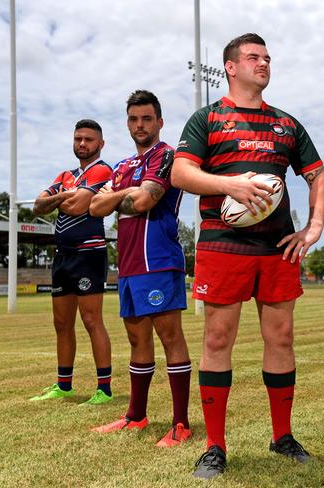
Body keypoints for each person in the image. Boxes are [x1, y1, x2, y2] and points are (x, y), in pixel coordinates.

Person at [171, 33, 324, 479]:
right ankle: (215, 446)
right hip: (223, 246)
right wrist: (231, 185)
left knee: (280, 339)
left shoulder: (287, 125)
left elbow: (318, 176)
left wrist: (313, 227)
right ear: (230, 67)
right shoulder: (207, 119)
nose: (263, 63)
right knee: (218, 341)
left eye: (267, 57)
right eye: (253, 57)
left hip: (277, 248)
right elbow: (181, 172)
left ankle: (282, 436)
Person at [89, 90, 192, 447]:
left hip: (159, 261)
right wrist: (124, 194)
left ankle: (181, 423)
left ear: (159, 122)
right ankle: (136, 415)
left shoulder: (167, 156)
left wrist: (121, 196)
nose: (139, 125)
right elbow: (96, 208)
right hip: (129, 265)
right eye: (133, 119)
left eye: (146, 119)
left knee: (170, 337)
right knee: (136, 340)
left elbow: (145, 199)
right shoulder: (121, 167)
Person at [30, 119, 114, 405]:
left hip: (88, 253)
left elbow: (78, 207)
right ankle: (63, 384)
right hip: (62, 255)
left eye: (89, 139)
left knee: (92, 320)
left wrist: (59, 198)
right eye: (78, 138)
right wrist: (68, 195)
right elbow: (37, 206)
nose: (83, 143)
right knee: (61, 323)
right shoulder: (66, 174)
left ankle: (104, 389)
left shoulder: (102, 170)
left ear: (100, 144)